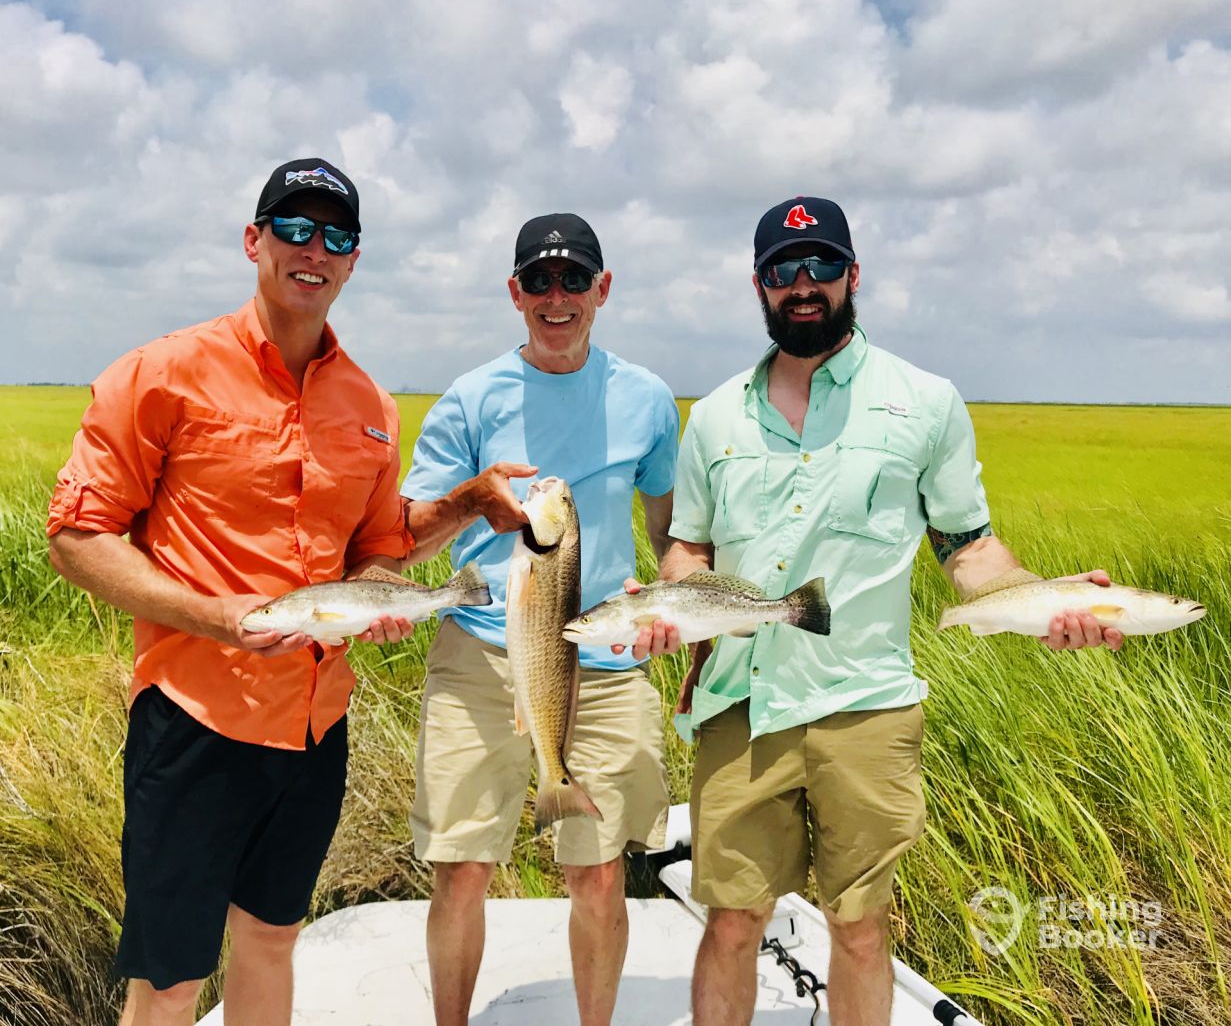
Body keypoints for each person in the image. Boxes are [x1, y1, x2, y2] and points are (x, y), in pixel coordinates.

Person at [654, 196, 1123, 1026]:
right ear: (759, 285)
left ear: (852, 275)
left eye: (822, 265)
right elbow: (687, 549)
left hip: (866, 703)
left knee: (861, 928)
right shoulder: (716, 414)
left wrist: (1049, 599)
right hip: (741, 701)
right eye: (783, 270)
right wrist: (670, 602)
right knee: (729, 921)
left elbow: (967, 548)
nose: (804, 284)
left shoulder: (925, 401)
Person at [46, 158, 423, 1026]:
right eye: (293, 228)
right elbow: (76, 536)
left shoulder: (371, 403)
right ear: (254, 241)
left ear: (353, 260)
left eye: (335, 236)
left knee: (273, 937)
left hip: (316, 722)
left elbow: (376, 549)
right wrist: (210, 616)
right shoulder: (162, 373)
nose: (313, 249)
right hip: (195, 719)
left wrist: (379, 598)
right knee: (172, 979)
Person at [400, 213, 679, 1026]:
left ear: (603, 288)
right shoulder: (469, 397)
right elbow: (407, 539)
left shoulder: (647, 398)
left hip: (605, 655)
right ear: (514, 292)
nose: (557, 298)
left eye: (573, 280)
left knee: (598, 871)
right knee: (460, 866)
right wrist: (469, 501)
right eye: (539, 281)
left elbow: (670, 534)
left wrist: (666, 599)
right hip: (483, 653)